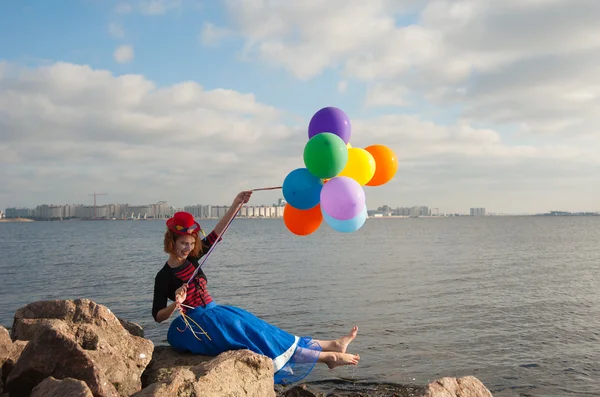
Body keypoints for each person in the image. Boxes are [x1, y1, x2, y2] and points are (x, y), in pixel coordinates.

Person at [152, 191, 360, 385]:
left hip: (217, 312)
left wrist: (237, 203)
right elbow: (158, 315)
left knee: (266, 331)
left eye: (190, 243)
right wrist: (176, 305)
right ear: (171, 241)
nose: (188, 249)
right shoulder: (164, 276)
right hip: (199, 324)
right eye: (183, 244)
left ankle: (332, 345)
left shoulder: (194, 256)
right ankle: (327, 357)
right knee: (258, 339)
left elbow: (217, 232)